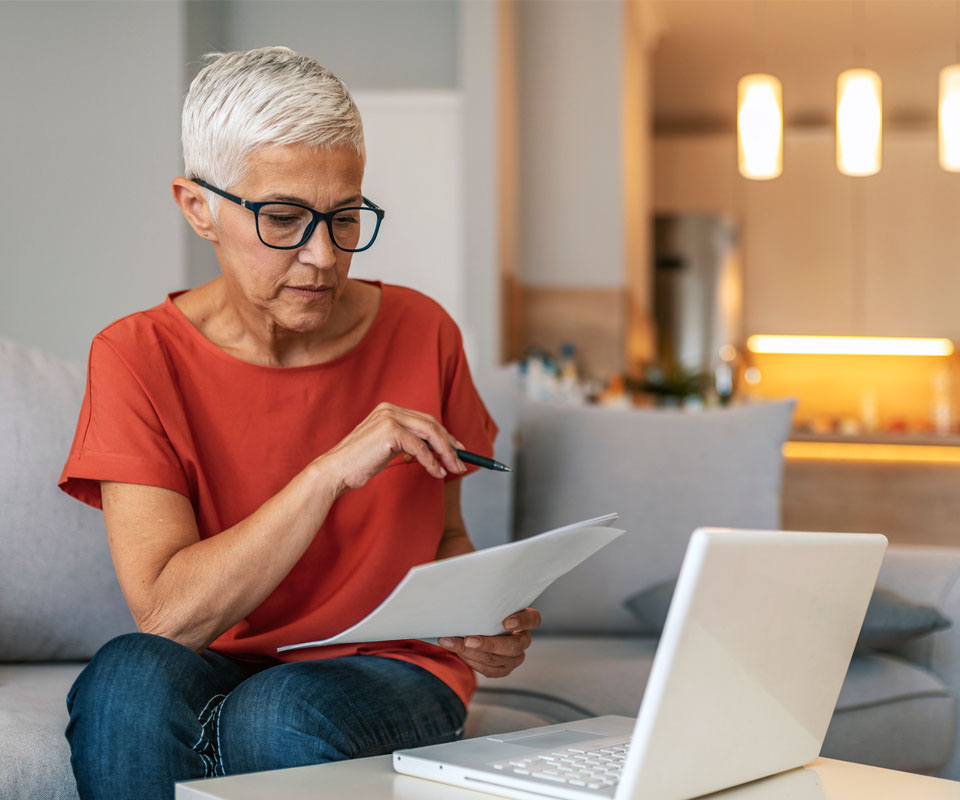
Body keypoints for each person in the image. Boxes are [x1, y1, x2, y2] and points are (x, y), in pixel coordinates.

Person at [58, 46, 540, 800]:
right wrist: (326, 473)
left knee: (279, 714)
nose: (323, 256)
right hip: (210, 654)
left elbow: (447, 535)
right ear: (198, 208)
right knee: (125, 676)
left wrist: (480, 617)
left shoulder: (424, 331)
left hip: (393, 665)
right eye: (284, 218)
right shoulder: (134, 356)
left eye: (346, 217)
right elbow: (167, 615)